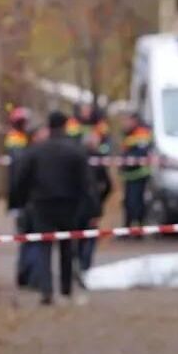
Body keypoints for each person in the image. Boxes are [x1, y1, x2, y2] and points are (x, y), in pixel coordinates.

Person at [10, 111, 98, 306]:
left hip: (42, 204)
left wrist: (19, 202)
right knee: (67, 247)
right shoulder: (76, 151)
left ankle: (46, 290)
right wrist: (92, 209)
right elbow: (87, 183)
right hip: (69, 205)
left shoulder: (37, 151)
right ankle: (66, 289)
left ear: (49, 126)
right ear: (65, 126)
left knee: (44, 246)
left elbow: (21, 178)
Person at [77, 105, 113, 273]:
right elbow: (108, 185)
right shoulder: (96, 160)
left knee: (78, 235)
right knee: (89, 236)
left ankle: (79, 264)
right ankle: (85, 267)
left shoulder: (78, 158)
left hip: (79, 204)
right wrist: (100, 200)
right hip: (92, 204)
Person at [3, 107, 36, 288]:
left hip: (21, 196)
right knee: (27, 237)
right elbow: (19, 174)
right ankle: (26, 275)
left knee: (26, 237)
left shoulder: (22, 140)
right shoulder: (17, 141)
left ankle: (26, 275)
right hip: (23, 197)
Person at [120, 111, 154, 229]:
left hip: (139, 174)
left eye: (127, 120)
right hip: (129, 175)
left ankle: (138, 226)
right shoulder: (127, 133)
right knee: (128, 202)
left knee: (136, 202)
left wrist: (128, 160)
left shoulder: (141, 132)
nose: (125, 123)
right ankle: (128, 226)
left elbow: (141, 152)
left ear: (134, 121)